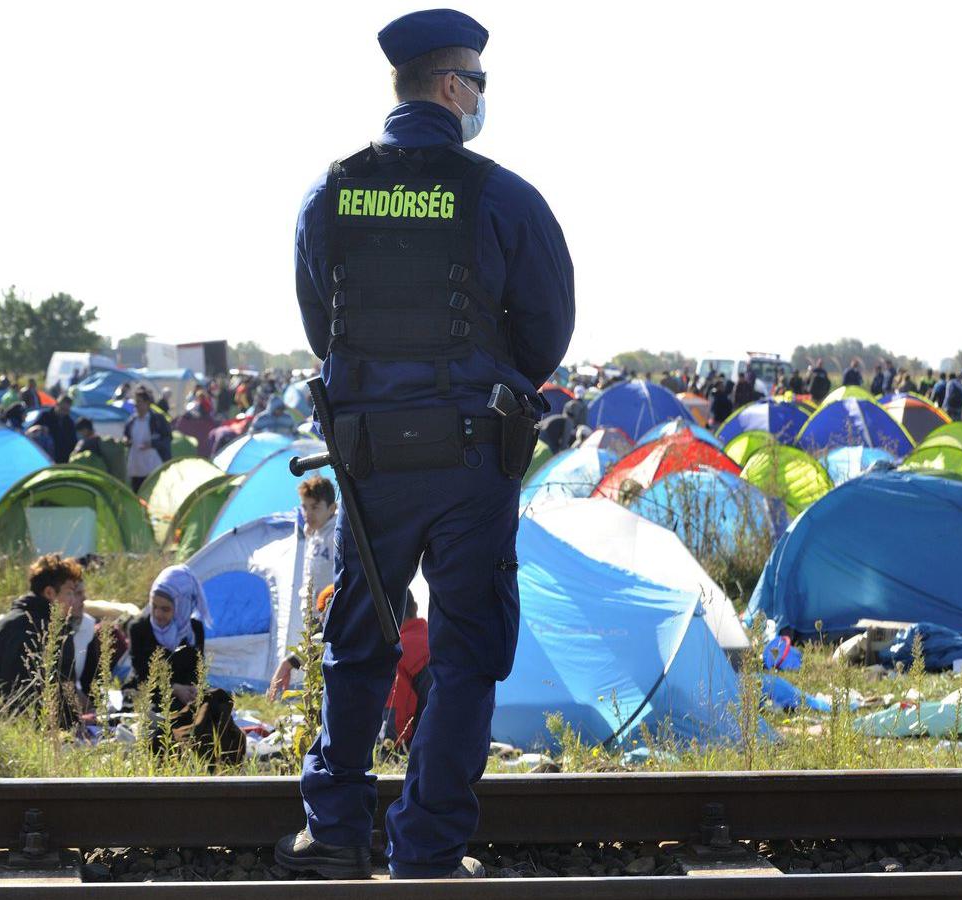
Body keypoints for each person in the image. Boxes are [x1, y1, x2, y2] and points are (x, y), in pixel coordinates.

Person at [278, 10, 574, 882]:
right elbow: (548, 330)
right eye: (478, 84)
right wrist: (478, 378)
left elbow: (315, 324)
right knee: (466, 648)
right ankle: (428, 850)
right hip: (470, 460)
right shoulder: (504, 196)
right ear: (453, 87)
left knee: (356, 637)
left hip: (367, 455)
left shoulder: (329, 192)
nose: (481, 99)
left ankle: (332, 831)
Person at [0, 553, 95, 719]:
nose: (73, 601)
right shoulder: (56, 632)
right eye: (69, 593)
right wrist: (79, 723)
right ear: (49, 593)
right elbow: (63, 698)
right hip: (40, 732)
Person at [267, 476, 341, 699]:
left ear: (332, 508)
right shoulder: (314, 533)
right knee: (313, 664)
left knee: (321, 661)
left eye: (315, 507)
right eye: (305, 507)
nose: (308, 513)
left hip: (328, 610)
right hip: (312, 611)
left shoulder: (334, 534)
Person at [126, 565, 211, 702]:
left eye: (165, 609)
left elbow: (197, 672)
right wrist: (174, 689)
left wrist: (193, 690)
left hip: (185, 696)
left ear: (181, 606)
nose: (157, 614)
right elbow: (142, 676)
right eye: (154, 606)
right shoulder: (139, 628)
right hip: (149, 694)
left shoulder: (194, 630)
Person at [381, 593, 430, 749]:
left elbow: (396, 721)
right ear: (415, 608)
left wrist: (386, 750)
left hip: (424, 747)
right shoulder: (436, 638)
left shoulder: (398, 651)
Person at [123, 387, 171, 492]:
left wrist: (152, 444)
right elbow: (126, 436)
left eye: (139, 402)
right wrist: (126, 440)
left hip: (152, 466)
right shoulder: (132, 421)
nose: (137, 405)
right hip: (136, 466)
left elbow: (167, 438)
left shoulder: (157, 420)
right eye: (136, 402)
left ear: (147, 403)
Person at [45, 395, 79, 464]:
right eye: (62, 409)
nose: (64, 412)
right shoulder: (44, 417)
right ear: (57, 405)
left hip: (63, 461)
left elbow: (73, 442)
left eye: (66, 410)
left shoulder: (69, 423)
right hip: (46, 458)